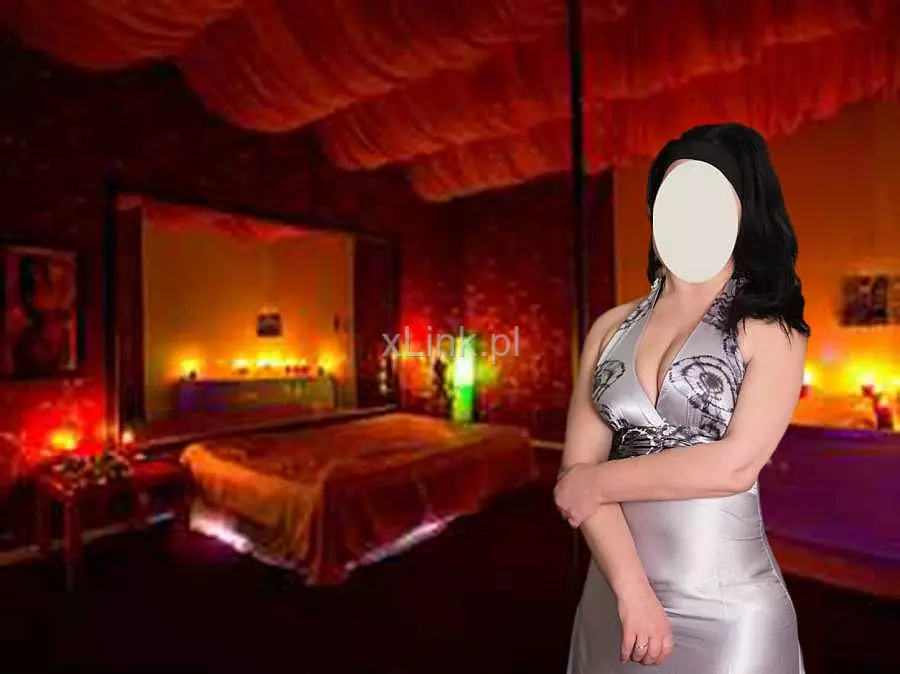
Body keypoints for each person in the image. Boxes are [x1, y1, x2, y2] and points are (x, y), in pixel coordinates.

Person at [555, 122, 809, 673]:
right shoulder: (609, 328)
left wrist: (595, 482)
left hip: (728, 610)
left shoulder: (771, 331)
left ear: (743, 213)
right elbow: (574, 467)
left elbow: (733, 466)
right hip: (615, 593)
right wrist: (631, 592)